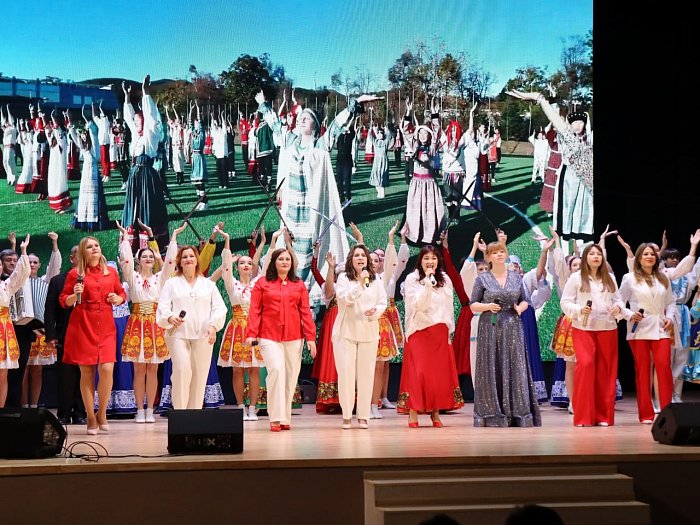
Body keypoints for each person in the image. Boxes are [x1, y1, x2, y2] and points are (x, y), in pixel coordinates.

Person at [254, 88, 377, 307]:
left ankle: (309, 297)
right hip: (292, 209)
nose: (302, 119)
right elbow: (275, 125)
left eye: (308, 118)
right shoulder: (290, 140)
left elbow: (337, 125)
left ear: (315, 125)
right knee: (290, 246)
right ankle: (289, 290)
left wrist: (355, 104)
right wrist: (263, 105)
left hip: (312, 209)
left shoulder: (320, 144)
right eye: (300, 117)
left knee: (311, 248)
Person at [507, 89, 594, 249]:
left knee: (585, 222)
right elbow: (555, 118)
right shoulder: (567, 137)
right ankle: (565, 253)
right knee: (566, 219)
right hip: (569, 181)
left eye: (581, 122)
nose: (578, 125)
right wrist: (540, 98)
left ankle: (583, 253)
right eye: (574, 122)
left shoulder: (590, 140)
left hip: (587, 187)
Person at [59, 236, 127, 434]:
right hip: (83, 324)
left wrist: (117, 298)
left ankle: (102, 413)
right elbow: (64, 300)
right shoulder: (75, 274)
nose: (95, 248)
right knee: (87, 373)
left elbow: (122, 294)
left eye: (96, 245)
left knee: (106, 369)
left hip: (105, 324)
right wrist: (75, 294)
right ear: (83, 252)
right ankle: (90, 417)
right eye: (90, 247)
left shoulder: (111, 272)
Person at [470, 241, 541, 427]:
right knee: (491, 365)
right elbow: (472, 305)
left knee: (515, 365)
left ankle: (517, 412)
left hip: (512, 325)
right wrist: (487, 306)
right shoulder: (482, 279)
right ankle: (491, 413)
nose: (499, 254)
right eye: (495, 252)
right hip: (490, 326)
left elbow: (525, 300)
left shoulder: (516, 277)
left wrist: (520, 308)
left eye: (502, 251)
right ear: (489, 257)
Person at [245, 248, 317, 432]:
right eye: (281, 259)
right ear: (274, 262)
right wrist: (251, 333)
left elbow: (305, 312)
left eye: (288, 259)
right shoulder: (262, 283)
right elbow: (255, 310)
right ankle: (275, 417)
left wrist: (311, 337)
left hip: (294, 337)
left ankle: (285, 417)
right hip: (269, 336)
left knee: (291, 377)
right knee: (276, 371)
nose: (285, 262)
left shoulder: (298, 285)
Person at [117, 220, 180, 422]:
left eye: (151, 257)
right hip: (137, 323)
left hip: (154, 324)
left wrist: (174, 239)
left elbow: (170, 263)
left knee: (153, 369)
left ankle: (150, 410)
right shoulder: (132, 277)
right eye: (144, 256)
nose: (148, 259)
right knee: (139, 369)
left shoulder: (160, 279)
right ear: (138, 260)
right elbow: (125, 261)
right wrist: (125, 239)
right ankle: (139, 410)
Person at [398, 245, 464, 427]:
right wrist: (427, 282)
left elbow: (448, 306)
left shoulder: (445, 279)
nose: (430, 261)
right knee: (418, 372)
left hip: (439, 330)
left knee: (437, 375)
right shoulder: (412, 279)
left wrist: (449, 330)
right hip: (419, 330)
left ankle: (435, 412)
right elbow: (416, 304)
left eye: (433, 258)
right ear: (420, 261)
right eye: (426, 258)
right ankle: (413, 411)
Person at [156, 245, 226, 410]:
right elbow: (163, 307)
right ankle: (180, 413)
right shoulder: (171, 283)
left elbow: (220, 308)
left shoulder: (208, 285)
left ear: (197, 260)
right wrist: (170, 317)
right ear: (179, 262)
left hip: (203, 335)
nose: (188, 259)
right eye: (185, 257)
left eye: (191, 256)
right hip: (178, 334)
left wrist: (213, 326)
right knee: (182, 369)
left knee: (200, 375)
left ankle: (194, 414)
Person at [559, 244, 622, 427]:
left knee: (605, 371)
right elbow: (565, 302)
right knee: (585, 365)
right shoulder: (576, 278)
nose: (596, 256)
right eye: (592, 254)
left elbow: (618, 300)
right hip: (583, 327)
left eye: (599, 254)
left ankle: (603, 416)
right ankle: (583, 416)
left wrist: (618, 308)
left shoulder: (610, 278)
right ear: (585, 257)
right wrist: (579, 309)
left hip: (607, 328)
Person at [332, 244, 387, 429]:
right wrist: (360, 284)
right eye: (357, 255)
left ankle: (363, 415)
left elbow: (382, 302)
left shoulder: (375, 279)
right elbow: (345, 299)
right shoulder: (343, 278)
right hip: (346, 332)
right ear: (351, 259)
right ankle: (347, 415)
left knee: (366, 375)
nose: (361, 258)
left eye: (363, 255)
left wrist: (375, 311)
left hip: (368, 331)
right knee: (346, 375)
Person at [619, 243, 675, 423]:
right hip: (639, 329)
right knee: (643, 371)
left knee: (664, 368)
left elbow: (671, 301)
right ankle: (646, 414)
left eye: (652, 254)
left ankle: (667, 413)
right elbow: (619, 302)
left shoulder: (663, 278)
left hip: (661, 328)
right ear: (638, 258)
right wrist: (629, 314)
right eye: (645, 254)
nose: (649, 256)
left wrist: (670, 317)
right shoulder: (629, 278)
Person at [216, 226, 263, 421]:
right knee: (237, 369)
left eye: (249, 263)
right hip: (236, 328)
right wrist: (227, 240)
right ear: (237, 267)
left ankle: (252, 407)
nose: (246, 265)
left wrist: (271, 242)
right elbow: (225, 265)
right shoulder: (232, 283)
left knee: (254, 368)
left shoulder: (258, 283)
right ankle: (241, 406)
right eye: (242, 263)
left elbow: (268, 262)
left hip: (254, 328)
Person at [121, 75, 170, 250]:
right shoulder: (136, 137)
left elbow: (151, 117)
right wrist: (127, 97)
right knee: (134, 207)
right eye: (135, 121)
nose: (136, 123)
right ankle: (133, 243)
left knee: (148, 208)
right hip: (135, 176)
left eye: (138, 120)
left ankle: (149, 244)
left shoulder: (151, 136)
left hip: (147, 177)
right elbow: (129, 118)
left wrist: (145, 93)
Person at [44, 245, 86, 424]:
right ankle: (63, 413)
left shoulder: (93, 278)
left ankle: (80, 413)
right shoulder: (57, 281)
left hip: (87, 334)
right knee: (65, 375)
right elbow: (50, 310)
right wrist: (51, 335)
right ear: (72, 258)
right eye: (79, 255)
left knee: (85, 374)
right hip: (65, 334)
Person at [21, 232, 62, 409]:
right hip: (24, 328)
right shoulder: (20, 281)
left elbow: (55, 267)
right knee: (23, 369)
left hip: (40, 330)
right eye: (29, 262)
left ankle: (34, 405)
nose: (32, 264)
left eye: (35, 262)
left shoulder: (45, 280)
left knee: (37, 370)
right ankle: (23, 405)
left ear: (39, 265)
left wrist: (55, 244)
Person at [0, 235, 31, 407]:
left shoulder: (6, 285)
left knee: (3, 373)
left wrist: (23, 251)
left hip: (4, 331)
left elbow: (21, 274)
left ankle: (1, 412)